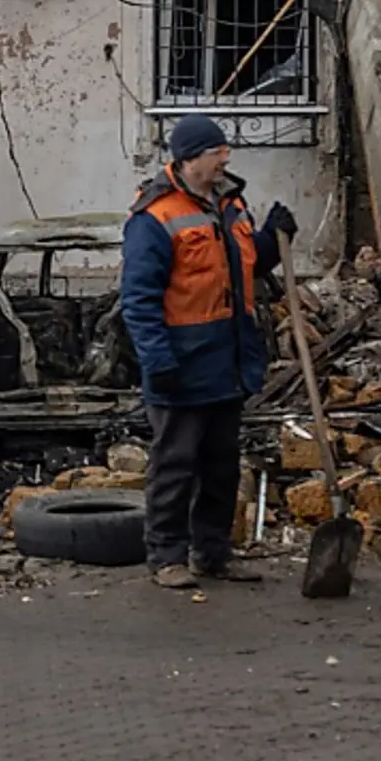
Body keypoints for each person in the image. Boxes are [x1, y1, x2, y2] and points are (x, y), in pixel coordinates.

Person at [118, 114, 294, 591]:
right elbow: (138, 300)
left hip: (227, 359)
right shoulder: (155, 217)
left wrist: (274, 241)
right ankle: (167, 557)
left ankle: (212, 555)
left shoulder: (231, 204)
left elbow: (244, 266)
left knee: (221, 463)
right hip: (181, 362)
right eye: (217, 151)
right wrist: (157, 361)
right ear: (191, 157)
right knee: (175, 464)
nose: (226, 158)